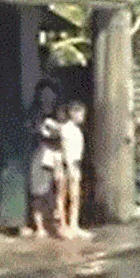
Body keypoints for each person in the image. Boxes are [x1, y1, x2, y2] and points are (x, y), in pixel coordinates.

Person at [59, 102, 91, 240]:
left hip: (75, 165)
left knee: (75, 197)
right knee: (64, 196)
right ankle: (64, 226)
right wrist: (69, 167)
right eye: (80, 113)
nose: (82, 117)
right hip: (68, 166)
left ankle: (74, 225)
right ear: (73, 113)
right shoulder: (66, 129)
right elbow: (66, 149)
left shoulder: (77, 130)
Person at [29, 118, 63, 238]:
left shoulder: (49, 149)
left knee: (44, 203)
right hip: (41, 178)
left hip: (45, 179)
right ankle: (40, 227)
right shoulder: (44, 149)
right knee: (40, 202)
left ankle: (43, 227)